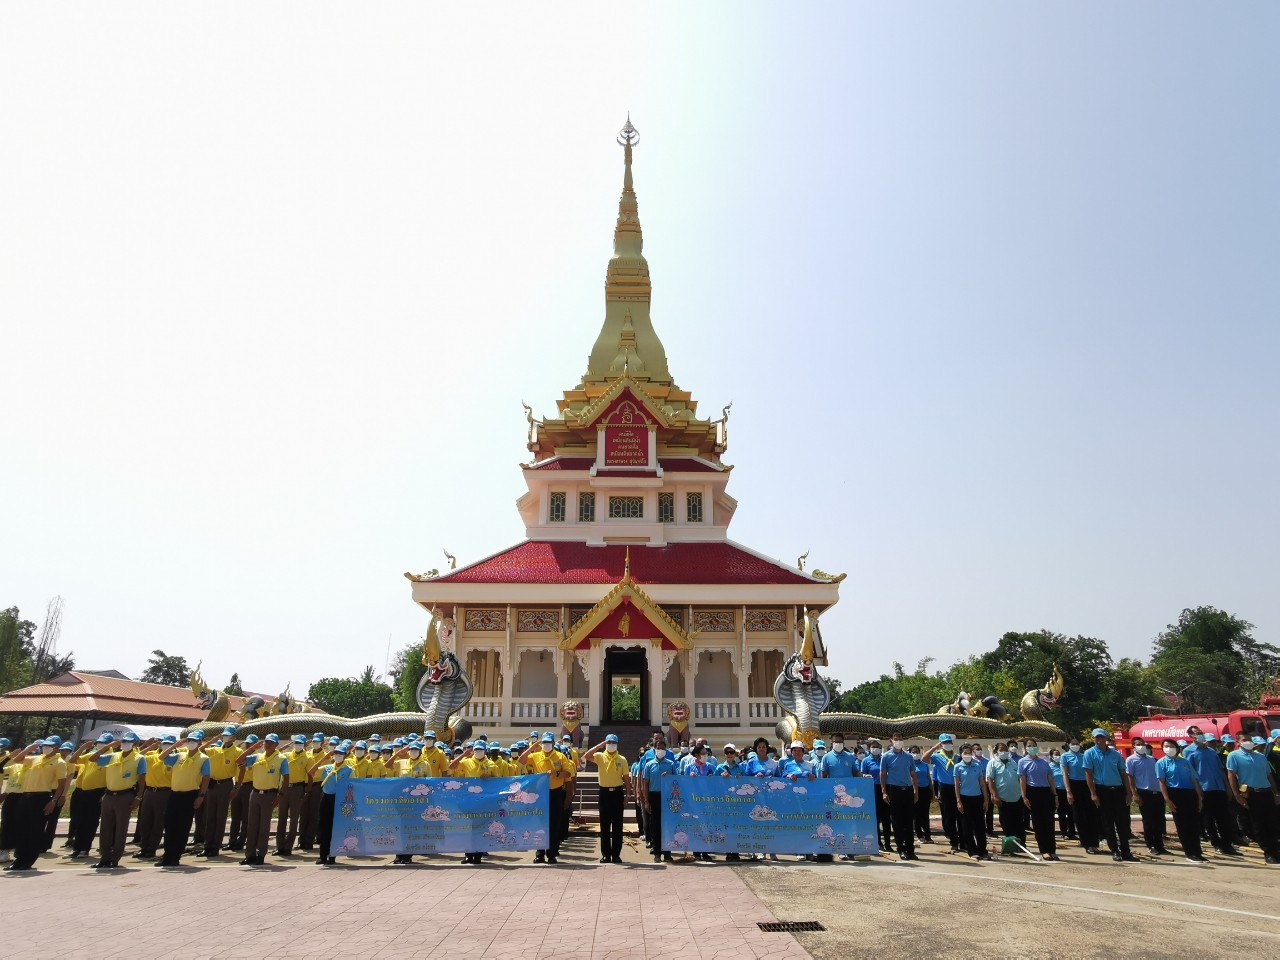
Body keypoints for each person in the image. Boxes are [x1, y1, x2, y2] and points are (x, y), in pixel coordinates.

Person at [3, 738, 70, 871]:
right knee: (21, 828)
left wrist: (53, 801)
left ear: (56, 747)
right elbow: (17, 760)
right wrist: (28, 749)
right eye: (44, 746)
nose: (45, 748)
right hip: (26, 796)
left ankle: (28, 860)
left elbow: (61, 784)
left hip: (42, 797)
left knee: (35, 829)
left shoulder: (59, 762)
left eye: (49, 746)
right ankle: (19, 859)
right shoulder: (36, 758)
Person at [91, 732, 146, 870]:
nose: (125, 744)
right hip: (109, 795)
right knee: (105, 828)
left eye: (128, 742)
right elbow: (93, 758)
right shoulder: (113, 756)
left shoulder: (139, 758)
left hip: (125, 795)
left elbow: (142, 779)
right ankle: (104, 858)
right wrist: (108, 746)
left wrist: (139, 797)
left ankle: (115, 858)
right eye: (123, 741)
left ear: (135, 744)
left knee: (121, 828)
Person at [235, 732, 290, 866]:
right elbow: (239, 761)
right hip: (255, 794)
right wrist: (252, 748)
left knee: (264, 827)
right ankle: (250, 855)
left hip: (269, 794)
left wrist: (280, 795)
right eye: (266, 742)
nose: (268, 744)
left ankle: (260, 854)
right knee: (252, 826)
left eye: (271, 742)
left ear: (277, 744)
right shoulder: (257, 757)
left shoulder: (281, 759)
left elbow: (286, 778)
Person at [157, 732, 210, 868]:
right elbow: (162, 757)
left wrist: (201, 796)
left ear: (199, 743)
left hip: (190, 795)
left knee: (183, 827)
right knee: (169, 826)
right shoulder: (179, 755)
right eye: (189, 740)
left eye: (194, 741)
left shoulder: (204, 758)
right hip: (174, 794)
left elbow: (206, 778)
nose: (191, 743)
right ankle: (167, 856)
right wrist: (175, 745)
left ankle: (175, 856)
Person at [1082, 728, 1136, 862]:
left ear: (1106, 738)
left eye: (1102, 737)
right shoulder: (1089, 753)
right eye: (1097, 737)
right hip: (1102, 790)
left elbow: (1123, 773)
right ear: (1094, 739)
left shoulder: (1115, 754)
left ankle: (1126, 850)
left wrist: (1129, 792)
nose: (1100, 740)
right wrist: (1093, 793)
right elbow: (1088, 774)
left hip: (1118, 790)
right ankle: (1115, 850)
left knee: (1123, 822)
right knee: (1108, 822)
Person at [1184, 726, 1239, 855]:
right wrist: (1197, 790)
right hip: (1204, 788)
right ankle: (1216, 843)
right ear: (1191, 736)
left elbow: (1220, 770)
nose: (1200, 735)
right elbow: (1191, 772)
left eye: (1201, 732)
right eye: (1196, 733)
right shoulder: (1189, 751)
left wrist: (1227, 787)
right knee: (1209, 818)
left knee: (1224, 818)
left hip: (1219, 787)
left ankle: (1227, 844)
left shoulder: (1211, 751)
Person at [518, 733, 572, 864]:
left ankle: (552, 854)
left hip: (555, 793)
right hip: (540, 794)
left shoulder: (560, 756)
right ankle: (540, 854)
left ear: (553, 743)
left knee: (554, 825)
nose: (546, 745)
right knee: (539, 824)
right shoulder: (536, 755)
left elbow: (568, 773)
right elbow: (521, 760)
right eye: (544, 743)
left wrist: (556, 773)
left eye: (549, 743)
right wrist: (533, 747)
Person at [1226, 735, 1280, 865]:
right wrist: (1237, 795)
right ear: (1238, 742)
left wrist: (1276, 793)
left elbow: (1268, 775)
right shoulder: (1234, 756)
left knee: (1272, 823)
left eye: (1249, 740)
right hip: (1251, 794)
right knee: (1258, 824)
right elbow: (1231, 775)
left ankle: (1275, 850)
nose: (1248, 742)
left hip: (1266, 792)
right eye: (1244, 740)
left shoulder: (1260, 756)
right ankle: (1269, 853)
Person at [1155, 738, 1206, 862]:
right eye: (1166, 746)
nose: (1169, 748)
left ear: (1177, 748)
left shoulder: (1185, 762)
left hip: (1189, 793)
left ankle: (1197, 851)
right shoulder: (1161, 763)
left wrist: (1199, 797)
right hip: (1175, 794)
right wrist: (1167, 799)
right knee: (1182, 824)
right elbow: (1162, 782)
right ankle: (1189, 852)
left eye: (1171, 746)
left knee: (1193, 824)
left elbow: (1194, 780)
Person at [584, 735, 628, 864]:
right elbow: (587, 755)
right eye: (609, 742)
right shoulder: (600, 756)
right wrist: (600, 745)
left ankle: (616, 855)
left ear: (617, 744)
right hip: (604, 793)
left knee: (617, 826)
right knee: (604, 825)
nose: (611, 744)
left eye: (614, 742)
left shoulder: (622, 759)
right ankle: (606, 855)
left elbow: (626, 778)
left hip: (617, 793)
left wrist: (628, 794)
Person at [199, 725, 240, 858]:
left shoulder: (237, 751)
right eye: (224, 735)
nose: (225, 737)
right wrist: (212, 740)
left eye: (228, 735)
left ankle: (215, 847)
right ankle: (207, 846)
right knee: (209, 816)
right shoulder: (215, 749)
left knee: (220, 817)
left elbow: (241, 771)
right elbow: (199, 750)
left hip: (226, 785)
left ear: (234, 737)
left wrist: (236, 788)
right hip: (212, 785)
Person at [67, 735, 112, 857]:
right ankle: (76, 848)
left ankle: (85, 849)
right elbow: (72, 760)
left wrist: (105, 793)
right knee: (80, 820)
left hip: (98, 792)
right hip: (84, 791)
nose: (100, 745)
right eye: (99, 742)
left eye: (104, 743)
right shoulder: (91, 755)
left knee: (91, 821)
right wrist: (83, 747)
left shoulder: (111, 757)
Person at [638, 736, 678, 863]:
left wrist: (669, 777)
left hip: (667, 797)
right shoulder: (649, 765)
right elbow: (645, 784)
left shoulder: (670, 764)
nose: (661, 751)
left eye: (663, 749)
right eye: (658, 748)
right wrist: (646, 801)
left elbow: (676, 781)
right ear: (654, 750)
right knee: (655, 825)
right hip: (653, 795)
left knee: (667, 825)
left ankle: (667, 853)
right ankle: (657, 852)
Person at [1125, 737, 1167, 855]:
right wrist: (1135, 794)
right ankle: (1151, 844)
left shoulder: (1151, 759)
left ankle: (1160, 845)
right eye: (1138, 744)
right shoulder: (1131, 760)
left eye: (1143, 744)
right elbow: (1130, 777)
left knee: (1159, 819)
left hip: (1157, 793)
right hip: (1144, 793)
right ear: (1133, 746)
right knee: (1148, 821)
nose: (1142, 746)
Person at [1017, 738, 1057, 860]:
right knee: (1038, 822)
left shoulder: (1044, 762)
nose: (1032, 747)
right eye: (1029, 745)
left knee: (1049, 822)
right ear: (1025, 748)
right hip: (1033, 792)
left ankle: (1052, 849)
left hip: (1046, 792)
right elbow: (1023, 780)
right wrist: (1024, 796)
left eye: (1034, 745)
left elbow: (1050, 779)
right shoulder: (1022, 762)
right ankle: (1044, 850)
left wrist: (1055, 795)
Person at [879, 737, 918, 860]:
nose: (899, 741)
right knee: (897, 821)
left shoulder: (908, 756)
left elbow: (913, 774)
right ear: (891, 741)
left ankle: (910, 849)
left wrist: (916, 791)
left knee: (909, 821)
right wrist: (884, 792)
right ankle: (901, 848)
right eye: (896, 739)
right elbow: (882, 774)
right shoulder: (886, 756)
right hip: (894, 790)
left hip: (908, 789)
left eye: (900, 739)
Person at [314, 743, 352, 866]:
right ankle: (322, 855)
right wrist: (324, 758)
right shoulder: (327, 768)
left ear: (345, 756)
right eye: (336, 753)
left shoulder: (349, 770)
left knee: (335, 828)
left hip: (340, 800)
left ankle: (332, 855)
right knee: (324, 827)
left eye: (340, 754)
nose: (337, 755)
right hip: (326, 798)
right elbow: (311, 772)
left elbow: (352, 787)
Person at [984, 740, 1026, 849]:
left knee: (1019, 822)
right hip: (1003, 798)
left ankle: (1022, 844)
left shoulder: (1013, 762)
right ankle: (1011, 845)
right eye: (1001, 750)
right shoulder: (992, 763)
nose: (1004, 751)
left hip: (1017, 797)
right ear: (996, 751)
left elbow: (1019, 778)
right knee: (1006, 822)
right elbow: (990, 780)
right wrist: (994, 795)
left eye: (1005, 749)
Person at [922, 735, 960, 852]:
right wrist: (934, 748)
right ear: (941, 744)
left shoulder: (957, 757)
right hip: (945, 788)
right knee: (948, 816)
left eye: (949, 742)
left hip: (958, 787)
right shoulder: (937, 756)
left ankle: (963, 841)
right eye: (945, 742)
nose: (948, 744)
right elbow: (924, 759)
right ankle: (954, 841)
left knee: (960, 815)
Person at [1060, 737, 1098, 852]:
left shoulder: (1084, 755)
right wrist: (1068, 791)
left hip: (1086, 785)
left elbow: (1090, 772)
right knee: (1079, 815)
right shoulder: (1065, 756)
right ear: (1068, 744)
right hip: (1074, 785)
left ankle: (1094, 842)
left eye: (1077, 743)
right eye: (1073, 743)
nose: (1075, 745)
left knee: (1091, 814)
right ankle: (1086, 843)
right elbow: (1065, 774)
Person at [274, 734, 310, 856]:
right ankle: (280, 846)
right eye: (296, 743)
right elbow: (274, 754)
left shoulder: (307, 757)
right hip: (285, 789)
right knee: (282, 818)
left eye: (300, 743)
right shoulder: (287, 755)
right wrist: (283, 748)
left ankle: (288, 847)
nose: (297, 745)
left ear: (304, 744)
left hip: (297, 788)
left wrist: (306, 791)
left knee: (294, 819)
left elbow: (310, 775)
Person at [953, 745, 989, 860]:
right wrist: (958, 801)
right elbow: (956, 786)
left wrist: (985, 799)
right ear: (961, 754)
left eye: (969, 752)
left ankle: (982, 850)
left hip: (977, 798)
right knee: (967, 826)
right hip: (965, 799)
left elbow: (982, 783)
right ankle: (972, 850)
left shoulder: (977, 765)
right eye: (965, 753)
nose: (967, 755)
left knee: (980, 826)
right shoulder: (958, 767)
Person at [861, 739, 893, 853]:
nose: (875, 749)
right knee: (876, 817)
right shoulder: (866, 761)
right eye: (873, 747)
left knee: (886, 818)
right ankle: (878, 842)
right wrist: (865, 776)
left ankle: (888, 843)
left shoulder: (884, 759)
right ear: (869, 748)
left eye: (877, 747)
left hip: (885, 788)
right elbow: (862, 774)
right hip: (872, 789)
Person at [1048, 747, 1074, 840]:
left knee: (1071, 812)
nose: (1058, 756)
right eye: (1055, 754)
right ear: (1051, 756)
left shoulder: (1063, 765)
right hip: (1058, 791)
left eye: (1059, 754)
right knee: (1061, 812)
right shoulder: (1050, 766)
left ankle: (1072, 832)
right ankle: (1064, 832)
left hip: (1067, 790)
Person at [911, 746, 933, 844]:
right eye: (913, 752)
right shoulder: (910, 765)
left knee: (925, 814)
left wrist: (932, 791)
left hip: (926, 790)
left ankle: (928, 835)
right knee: (917, 815)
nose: (915, 753)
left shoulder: (924, 765)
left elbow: (929, 778)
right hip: (915, 791)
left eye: (917, 752)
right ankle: (919, 835)